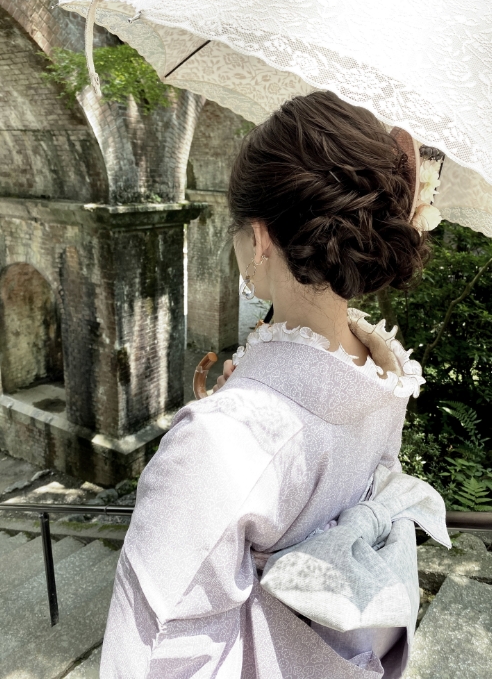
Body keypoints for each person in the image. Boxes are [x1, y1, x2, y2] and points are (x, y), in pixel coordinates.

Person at [100, 90, 431, 678]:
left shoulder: (219, 441)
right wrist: (238, 411)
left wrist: (222, 436)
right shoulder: (384, 375)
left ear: (258, 240)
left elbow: (150, 660)